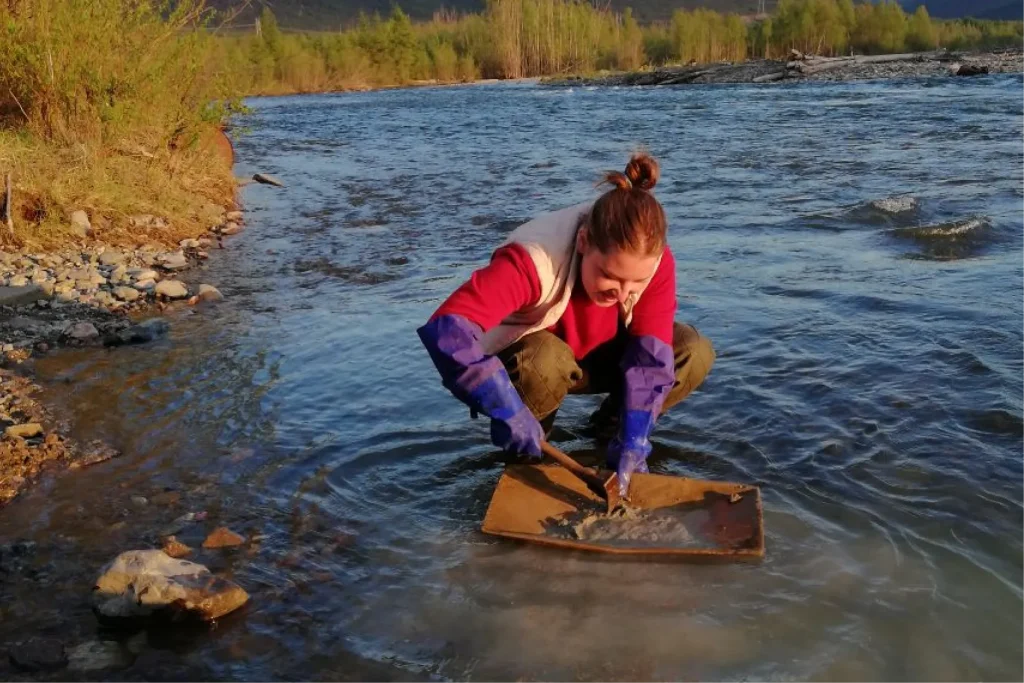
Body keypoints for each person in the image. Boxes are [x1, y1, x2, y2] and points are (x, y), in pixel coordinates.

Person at [416, 153, 715, 497]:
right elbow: (447, 331)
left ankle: (611, 437)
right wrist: (505, 408)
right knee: (544, 358)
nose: (622, 294)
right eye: (610, 276)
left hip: (601, 359)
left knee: (691, 351)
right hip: (533, 368)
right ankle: (528, 455)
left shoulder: (654, 262)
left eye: (635, 284)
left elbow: (651, 362)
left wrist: (634, 438)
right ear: (584, 241)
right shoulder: (534, 257)